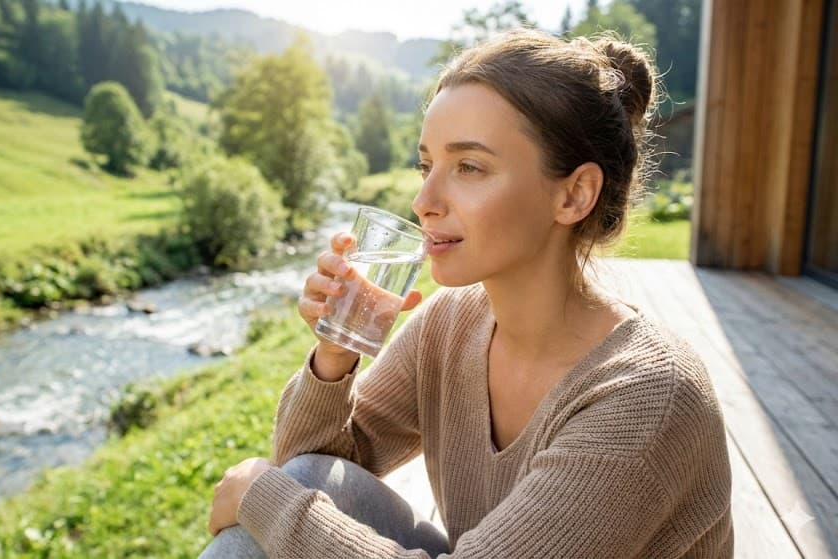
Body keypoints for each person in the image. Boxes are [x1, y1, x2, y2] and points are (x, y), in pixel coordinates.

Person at [200, 27, 733, 558]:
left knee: (273, 508)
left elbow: (282, 497)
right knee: (302, 487)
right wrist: (334, 359)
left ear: (574, 195)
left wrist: (262, 496)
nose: (423, 200)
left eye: (469, 167)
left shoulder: (650, 396)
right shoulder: (451, 324)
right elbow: (308, 464)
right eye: (427, 165)